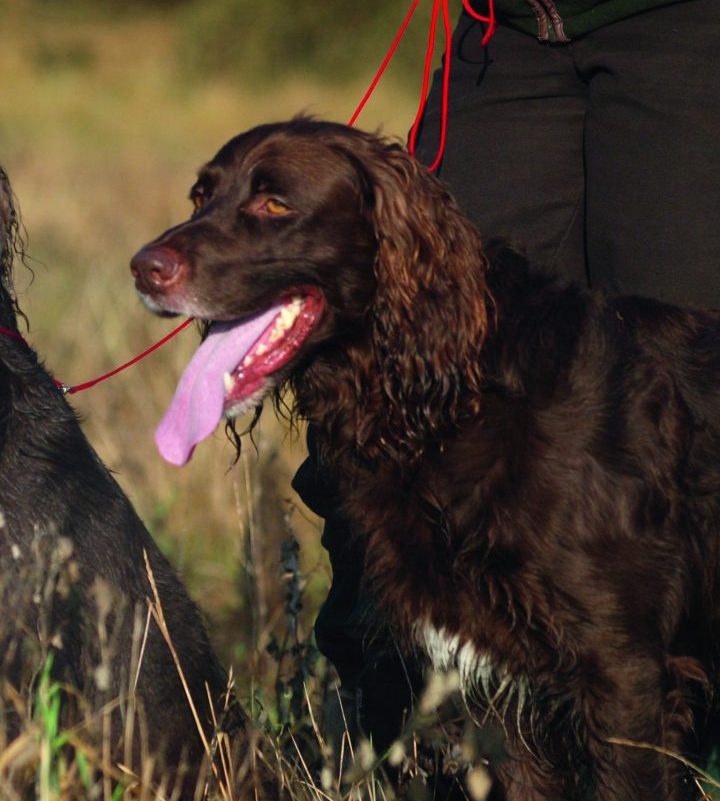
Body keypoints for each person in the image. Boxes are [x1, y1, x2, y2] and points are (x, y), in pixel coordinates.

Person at [299, 0, 720, 747]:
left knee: (690, 394)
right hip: (505, 34)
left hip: (686, 26)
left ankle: (669, 734)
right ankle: (419, 745)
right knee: (394, 378)